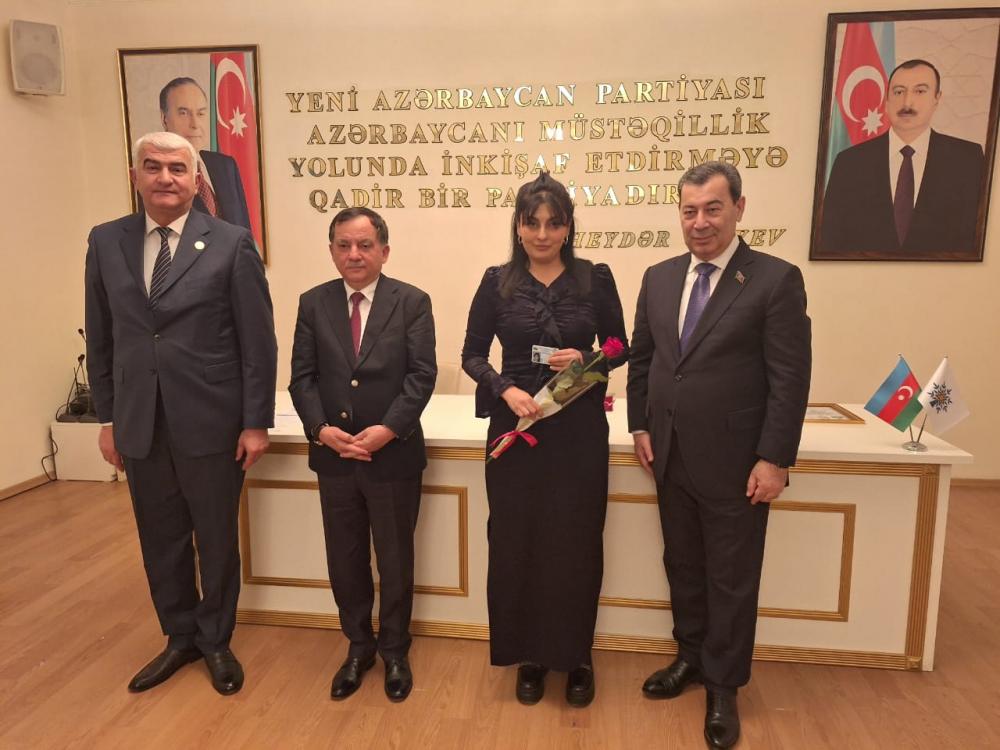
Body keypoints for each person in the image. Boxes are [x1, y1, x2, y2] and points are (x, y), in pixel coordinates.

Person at [84, 131, 277, 695]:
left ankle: (215, 639)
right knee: (160, 538)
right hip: (140, 420)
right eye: (153, 167)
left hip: (212, 420)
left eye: (176, 168)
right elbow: (102, 334)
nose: (165, 178)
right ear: (135, 176)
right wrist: (107, 418)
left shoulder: (232, 243)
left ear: (196, 180)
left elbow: (257, 342)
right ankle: (179, 636)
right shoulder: (106, 241)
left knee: (214, 538)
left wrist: (255, 421)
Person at [627, 161, 810, 749]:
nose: (700, 222)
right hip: (669, 454)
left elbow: (790, 378)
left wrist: (774, 457)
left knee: (731, 577)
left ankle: (723, 686)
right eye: (689, 210)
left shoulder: (775, 280)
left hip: (738, 464)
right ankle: (689, 657)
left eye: (712, 208)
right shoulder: (659, 277)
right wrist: (639, 426)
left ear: (738, 208)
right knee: (682, 564)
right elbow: (644, 360)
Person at [461, 172, 628, 708]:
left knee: (574, 542)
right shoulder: (497, 282)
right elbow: (471, 354)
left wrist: (589, 359)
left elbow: (621, 345)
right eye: (532, 223)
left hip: (577, 431)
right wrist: (504, 389)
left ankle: (576, 657)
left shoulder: (593, 278)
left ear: (568, 227)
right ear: (517, 225)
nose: (542, 234)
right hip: (517, 428)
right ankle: (529, 655)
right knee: (518, 541)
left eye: (553, 224)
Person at [289, 207, 436, 703]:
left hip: (391, 457)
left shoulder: (411, 302)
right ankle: (358, 647)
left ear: (384, 251)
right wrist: (320, 430)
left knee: (394, 559)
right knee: (345, 558)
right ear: (332, 251)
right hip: (334, 457)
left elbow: (421, 376)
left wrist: (389, 429)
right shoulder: (313, 303)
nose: (354, 254)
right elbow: (302, 378)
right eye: (344, 245)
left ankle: (395, 651)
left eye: (365, 245)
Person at [820, 59, 985, 257]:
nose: (907, 103)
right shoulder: (849, 163)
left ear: (937, 98)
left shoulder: (968, 159)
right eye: (899, 92)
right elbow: (830, 241)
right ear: (887, 100)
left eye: (920, 91)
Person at [158, 77, 252, 231]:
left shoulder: (226, 165)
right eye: (184, 113)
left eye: (201, 114)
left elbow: (244, 231)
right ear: (164, 119)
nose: (195, 124)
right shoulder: (157, 177)